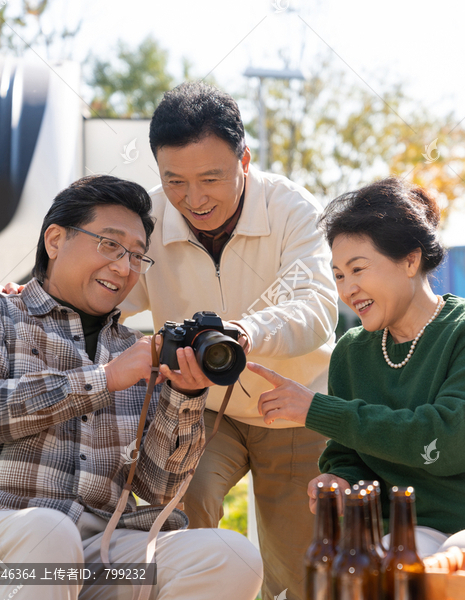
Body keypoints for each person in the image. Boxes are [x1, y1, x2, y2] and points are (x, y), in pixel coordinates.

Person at [0, 175, 263, 600]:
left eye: (137, 256)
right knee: (48, 534)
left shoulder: (136, 351)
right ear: (55, 240)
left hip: (99, 551)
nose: (124, 267)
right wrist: (103, 379)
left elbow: (160, 490)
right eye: (110, 245)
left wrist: (184, 398)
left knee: (229, 557)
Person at [248, 177, 465, 558]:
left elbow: (450, 441)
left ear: (410, 260)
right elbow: (349, 454)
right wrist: (340, 480)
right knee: (383, 565)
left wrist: (317, 409)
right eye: (338, 275)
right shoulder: (352, 352)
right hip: (426, 528)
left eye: (358, 268)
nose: (348, 288)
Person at [118, 82, 338, 600]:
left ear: (245, 158)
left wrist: (244, 333)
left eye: (211, 178)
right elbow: (102, 298)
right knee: (179, 524)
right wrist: (37, 287)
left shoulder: (293, 209)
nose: (193, 199)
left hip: (291, 404)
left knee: (299, 569)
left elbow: (317, 310)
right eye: (175, 181)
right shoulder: (147, 220)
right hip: (199, 408)